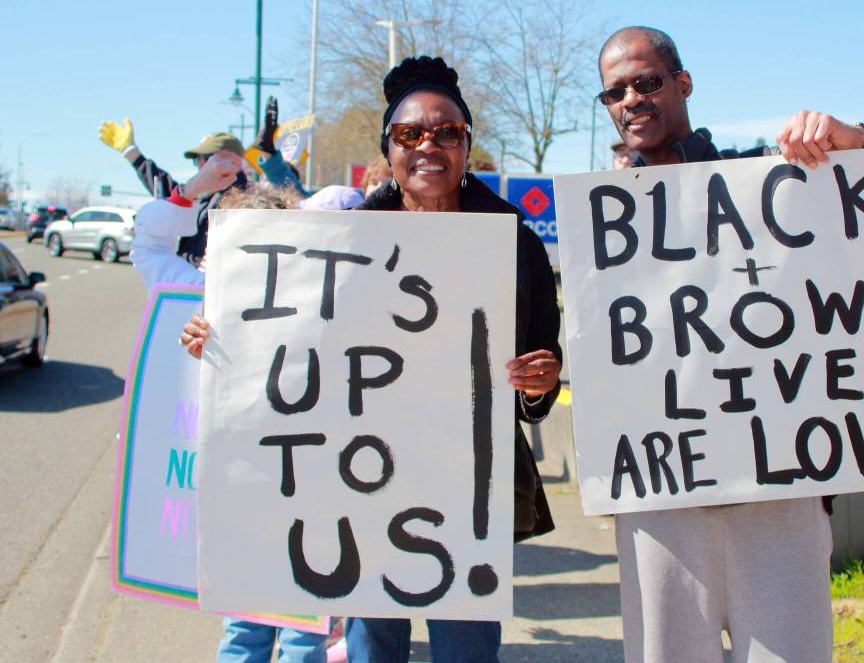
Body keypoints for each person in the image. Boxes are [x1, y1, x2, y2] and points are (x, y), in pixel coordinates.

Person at [180, 55, 563, 663]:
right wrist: (224, 342)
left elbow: (538, 372)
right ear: (389, 148)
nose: (429, 145)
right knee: (371, 647)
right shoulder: (345, 236)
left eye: (447, 132)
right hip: (362, 478)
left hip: (467, 485)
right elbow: (295, 349)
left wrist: (540, 383)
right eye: (410, 134)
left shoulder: (513, 239)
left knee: (467, 649)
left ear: (467, 145)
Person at [597, 26, 864, 663]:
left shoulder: (769, 176)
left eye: (646, 83)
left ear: (683, 84)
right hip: (663, 497)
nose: (632, 101)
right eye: (614, 92)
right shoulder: (605, 219)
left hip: (776, 492)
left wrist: (856, 141)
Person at [129, 159, 331, 663]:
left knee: (302, 633)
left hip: (314, 494)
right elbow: (150, 247)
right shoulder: (201, 298)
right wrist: (194, 189)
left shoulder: (328, 300)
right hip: (246, 493)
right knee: (247, 630)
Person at [99, 119, 248, 265]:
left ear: (233, 160)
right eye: (197, 160)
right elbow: (171, 194)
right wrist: (132, 154)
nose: (200, 164)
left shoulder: (242, 200)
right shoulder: (208, 195)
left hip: (207, 284)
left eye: (204, 158)